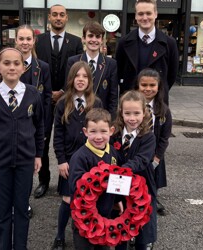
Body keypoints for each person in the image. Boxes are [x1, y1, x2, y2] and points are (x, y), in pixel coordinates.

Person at [0, 48, 44, 250]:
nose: (12, 67)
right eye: (6, 63)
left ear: (24, 68)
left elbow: (39, 127)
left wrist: (38, 154)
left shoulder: (33, 94)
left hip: (24, 162)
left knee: (22, 210)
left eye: (16, 63)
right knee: (3, 211)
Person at [34, 4, 84, 199]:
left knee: (71, 140)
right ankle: (44, 181)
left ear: (66, 18)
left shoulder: (76, 41)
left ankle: (72, 178)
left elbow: (78, 68)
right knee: (43, 141)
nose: (58, 18)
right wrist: (49, 92)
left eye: (61, 15)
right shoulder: (39, 41)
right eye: (54, 14)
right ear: (49, 17)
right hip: (44, 99)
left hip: (68, 98)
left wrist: (63, 91)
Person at [52, 61, 103, 249]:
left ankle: (88, 233)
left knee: (89, 198)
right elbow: (57, 135)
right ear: (71, 79)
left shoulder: (96, 103)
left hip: (91, 160)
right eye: (77, 76)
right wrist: (61, 161)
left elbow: (101, 133)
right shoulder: (62, 103)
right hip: (70, 161)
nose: (80, 80)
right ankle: (59, 236)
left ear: (90, 80)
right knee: (68, 199)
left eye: (84, 76)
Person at [15, 24, 52, 217]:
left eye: (28, 39)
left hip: (35, 123)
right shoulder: (10, 64)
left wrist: (44, 126)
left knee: (39, 156)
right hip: (14, 123)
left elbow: (47, 99)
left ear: (34, 41)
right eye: (21, 39)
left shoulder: (43, 67)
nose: (25, 43)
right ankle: (20, 200)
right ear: (16, 41)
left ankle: (42, 182)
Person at [68, 108, 119, 250]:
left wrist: (118, 201)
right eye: (93, 131)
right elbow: (76, 187)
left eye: (103, 131)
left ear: (111, 130)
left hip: (105, 216)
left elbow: (118, 179)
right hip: (84, 219)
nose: (98, 137)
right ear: (85, 132)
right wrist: (100, 181)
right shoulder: (80, 157)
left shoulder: (113, 153)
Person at [112, 90, 156, 250]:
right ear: (121, 113)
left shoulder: (148, 137)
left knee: (142, 223)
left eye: (136, 113)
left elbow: (142, 160)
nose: (132, 118)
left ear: (144, 113)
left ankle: (142, 244)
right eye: (127, 113)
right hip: (119, 186)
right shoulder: (115, 134)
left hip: (142, 185)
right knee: (121, 221)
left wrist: (122, 170)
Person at [115, 0, 178, 104]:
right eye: (140, 14)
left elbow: (171, 76)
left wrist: (160, 90)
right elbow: (119, 72)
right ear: (135, 16)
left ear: (156, 14)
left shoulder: (169, 43)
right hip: (130, 103)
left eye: (148, 13)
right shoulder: (124, 43)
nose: (145, 18)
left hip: (158, 102)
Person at [135, 68, 172, 216]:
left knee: (153, 179)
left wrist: (157, 157)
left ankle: (152, 199)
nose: (148, 89)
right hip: (137, 152)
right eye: (144, 85)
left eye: (152, 85)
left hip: (155, 154)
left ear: (158, 87)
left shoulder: (163, 110)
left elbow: (164, 137)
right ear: (138, 86)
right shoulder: (132, 106)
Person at [66, 21, 118, 119]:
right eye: (90, 36)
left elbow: (113, 97)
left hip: (101, 117)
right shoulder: (73, 61)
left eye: (98, 37)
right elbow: (69, 90)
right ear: (83, 39)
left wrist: (112, 120)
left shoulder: (111, 64)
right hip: (77, 115)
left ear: (102, 40)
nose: (94, 40)